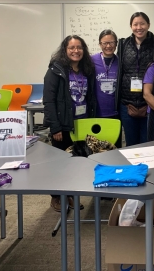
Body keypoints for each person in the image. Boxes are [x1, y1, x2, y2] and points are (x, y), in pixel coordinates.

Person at [43, 35, 96, 212]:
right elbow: (49, 101)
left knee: (77, 163)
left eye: (79, 47)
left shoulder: (87, 69)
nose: (76, 51)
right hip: (63, 126)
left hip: (82, 124)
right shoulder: (55, 70)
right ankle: (56, 198)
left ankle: (71, 195)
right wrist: (55, 127)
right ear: (65, 50)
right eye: (71, 48)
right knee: (60, 164)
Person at [116, 12, 154, 146]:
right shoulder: (123, 44)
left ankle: (146, 168)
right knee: (131, 145)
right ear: (131, 26)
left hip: (149, 104)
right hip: (127, 104)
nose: (139, 27)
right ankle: (132, 168)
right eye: (135, 24)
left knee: (147, 145)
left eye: (142, 23)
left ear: (148, 25)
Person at [91, 29, 121, 146]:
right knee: (96, 147)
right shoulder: (91, 61)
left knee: (114, 147)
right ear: (100, 44)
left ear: (116, 44)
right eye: (105, 43)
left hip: (115, 113)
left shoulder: (120, 62)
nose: (108, 46)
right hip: (97, 113)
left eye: (111, 42)